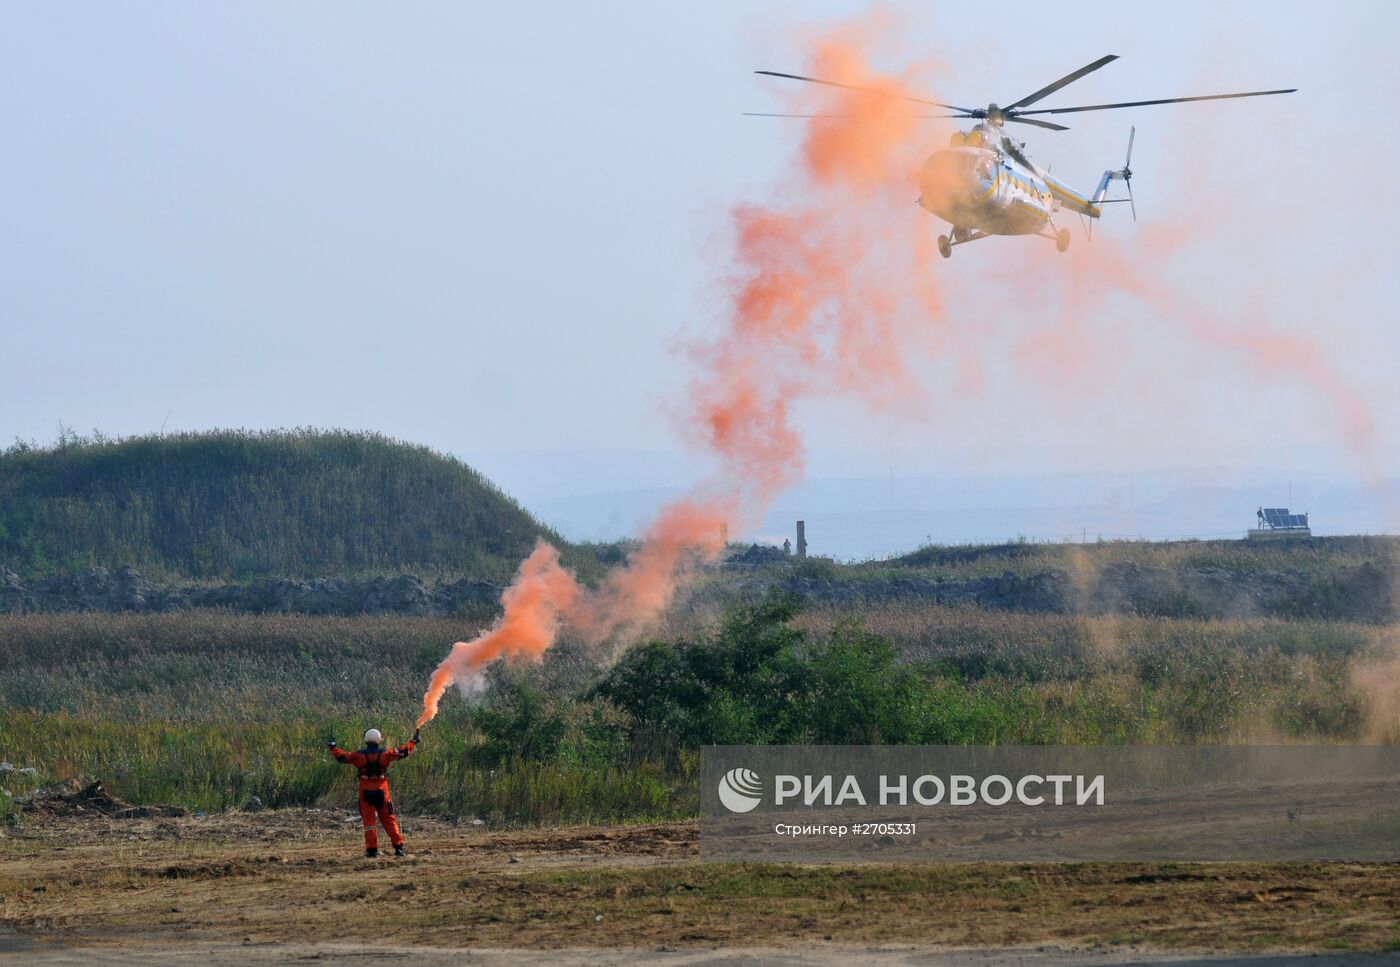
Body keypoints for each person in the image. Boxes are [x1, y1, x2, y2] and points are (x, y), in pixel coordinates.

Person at [328, 727, 418, 857]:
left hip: (365, 791)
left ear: (366, 740)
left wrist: (333, 747)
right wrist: (413, 742)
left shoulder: (358, 755)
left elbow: (342, 757)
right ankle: (399, 848)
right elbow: (403, 752)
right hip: (382, 790)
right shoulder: (386, 754)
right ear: (379, 740)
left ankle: (371, 850)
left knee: (369, 823)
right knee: (389, 820)